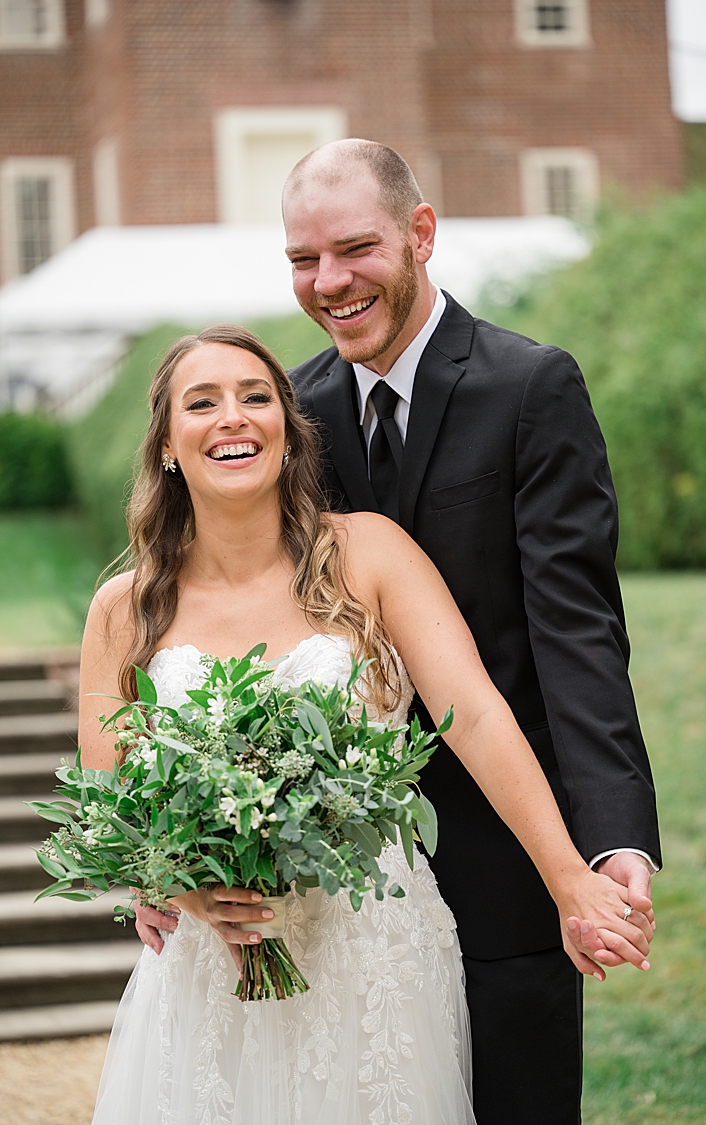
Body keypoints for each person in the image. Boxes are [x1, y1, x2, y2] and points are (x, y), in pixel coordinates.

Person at [133, 140, 662, 1124]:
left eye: (353, 248)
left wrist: (608, 844)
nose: (328, 282)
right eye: (302, 259)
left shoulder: (528, 388)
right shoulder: (292, 415)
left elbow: (578, 635)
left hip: (507, 839)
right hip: (317, 879)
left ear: (422, 233)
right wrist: (185, 860)